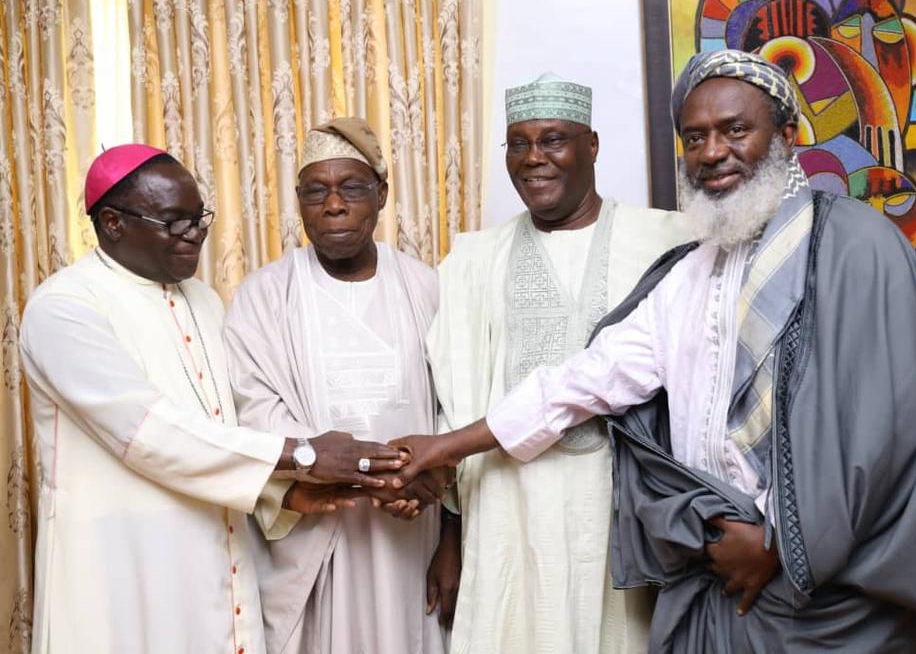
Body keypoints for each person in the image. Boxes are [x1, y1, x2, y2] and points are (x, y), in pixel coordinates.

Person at [392, 50, 916, 652]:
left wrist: (777, 541)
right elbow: (582, 381)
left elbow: (885, 429)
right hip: (714, 570)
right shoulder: (691, 270)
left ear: (788, 135)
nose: (712, 152)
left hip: (822, 593)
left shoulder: (857, 246)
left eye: (735, 130)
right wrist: (445, 446)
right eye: (695, 137)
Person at [19, 145, 408, 654]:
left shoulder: (203, 299)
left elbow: (223, 424)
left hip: (216, 551)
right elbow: (149, 432)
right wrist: (303, 453)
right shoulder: (65, 308)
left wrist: (282, 496)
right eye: (174, 222)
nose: (195, 234)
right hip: (120, 563)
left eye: (198, 218)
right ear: (112, 223)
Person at [425, 73, 692, 653]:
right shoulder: (474, 259)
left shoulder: (667, 240)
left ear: (591, 145)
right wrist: (450, 536)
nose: (533, 159)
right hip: (506, 510)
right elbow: (453, 398)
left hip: (625, 513)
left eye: (552, 140)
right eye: (517, 144)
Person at [223, 117, 447, 654]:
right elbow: (253, 406)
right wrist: (355, 473)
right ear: (299, 202)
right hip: (318, 528)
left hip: (410, 529)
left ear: (381, 195)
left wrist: (430, 478)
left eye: (352, 188)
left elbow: (453, 403)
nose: (334, 205)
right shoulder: (264, 295)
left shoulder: (427, 286)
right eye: (315, 191)